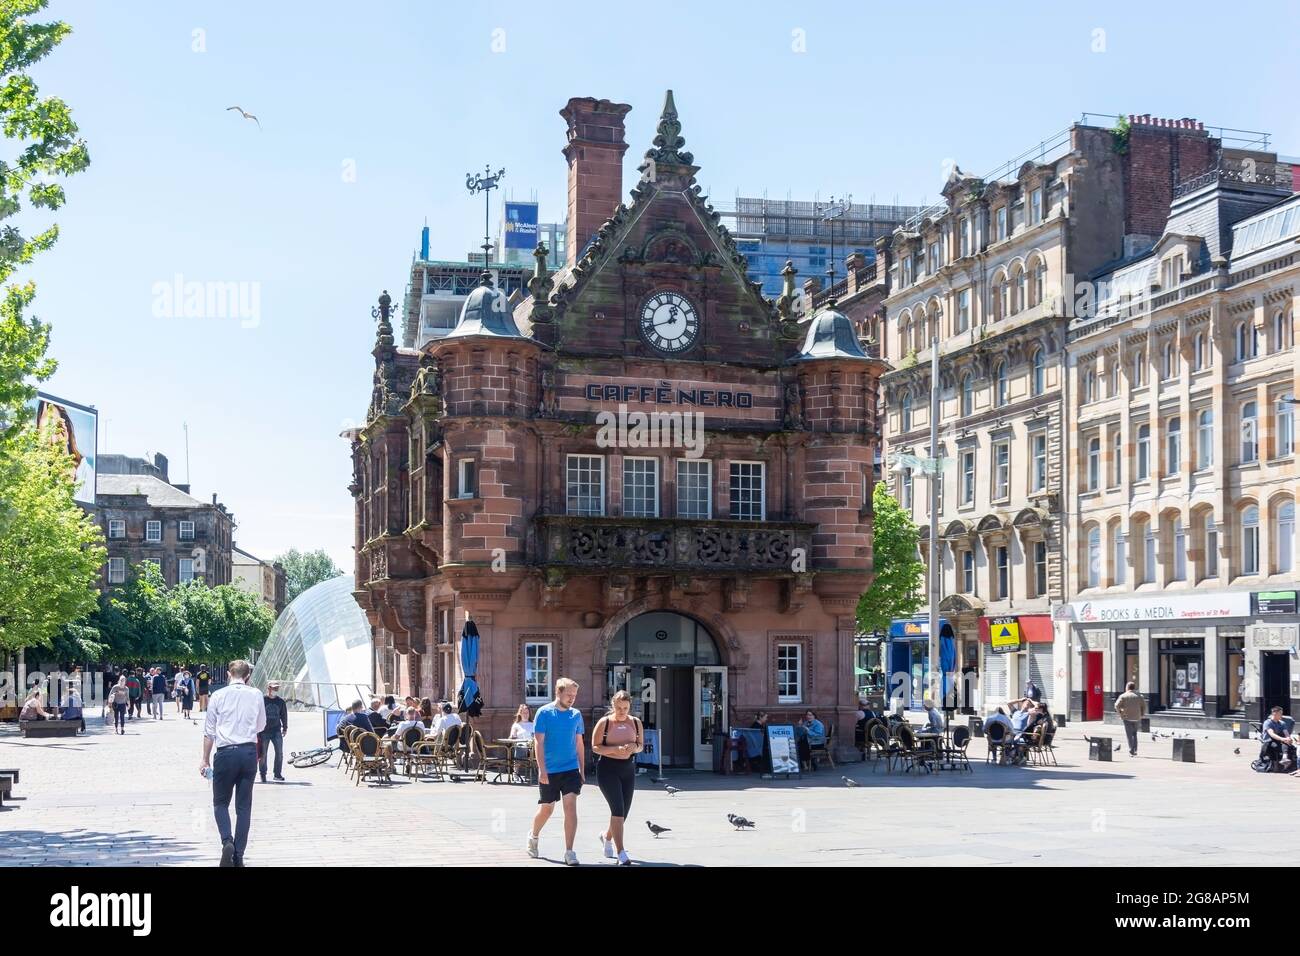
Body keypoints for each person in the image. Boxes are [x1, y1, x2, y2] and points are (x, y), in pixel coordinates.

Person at [200, 660, 266, 867]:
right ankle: (238, 855)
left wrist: (204, 759)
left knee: (220, 803)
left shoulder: (218, 695)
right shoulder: (256, 694)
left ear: (229, 674)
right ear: (247, 676)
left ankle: (227, 840)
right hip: (248, 752)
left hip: (225, 753)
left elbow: (209, 731)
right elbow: (261, 725)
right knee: (244, 807)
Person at [528, 677, 585, 865]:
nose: (572, 698)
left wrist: (582, 770)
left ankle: (570, 851)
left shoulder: (576, 715)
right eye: (569, 695)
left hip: (570, 769)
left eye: (574, 695)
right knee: (547, 809)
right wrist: (542, 770)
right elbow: (538, 742)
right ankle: (533, 836)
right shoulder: (544, 713)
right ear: (558, 693)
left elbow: (579, 743)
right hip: (550, 770)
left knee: (570, 808)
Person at [591, 690, 642, 866]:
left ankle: (606, 836)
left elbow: (641, 746)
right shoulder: (604, 723)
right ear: (613, 705)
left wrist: (633, 747)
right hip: (607, 769)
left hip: (628, 769)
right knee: (618, 809)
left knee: (623, 813)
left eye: (625, 708)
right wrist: (614, 749)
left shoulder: (635, 722)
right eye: (619, 708)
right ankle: (621, 852)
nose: (622, 711)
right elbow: (595, 747)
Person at [259, 681, 289, 782]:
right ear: (269, 688)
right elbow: (257, 714)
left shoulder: (280, 702)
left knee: (279, 753)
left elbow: (284, 715)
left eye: (277, 688)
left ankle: (277, 774)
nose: (276, 690)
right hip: (264, 731)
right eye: (274, 688)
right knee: (263, 754)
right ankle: (263, 774)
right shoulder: (262, 700)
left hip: (276, 731)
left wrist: (285, 728)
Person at [1114, 682, 1146, 757]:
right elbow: (1144, 706)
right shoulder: (1139, 696)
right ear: (1134, 687)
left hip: (1127, 717)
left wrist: (1120, 714)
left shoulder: (1123, 696)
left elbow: (1116, 705)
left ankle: (1131, 750)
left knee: (1129, 735)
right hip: (1137, 717)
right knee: (1134, 734)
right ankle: (1135, 750)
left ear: (1127, 687)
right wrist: (1142, 715)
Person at [1260, 706, 1297, 771]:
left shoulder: (1282, 723)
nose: (1282, 715)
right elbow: (1272, 734)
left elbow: (1286, 733)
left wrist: (1288, 738)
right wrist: (1283, 739)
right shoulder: (1268, 722)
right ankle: (1283, 761)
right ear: (1274, 713)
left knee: (1288, 744)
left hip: (1279, 740)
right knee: (1280, 743)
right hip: (1269, 741)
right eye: (1280, 714)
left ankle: (1285, 759)